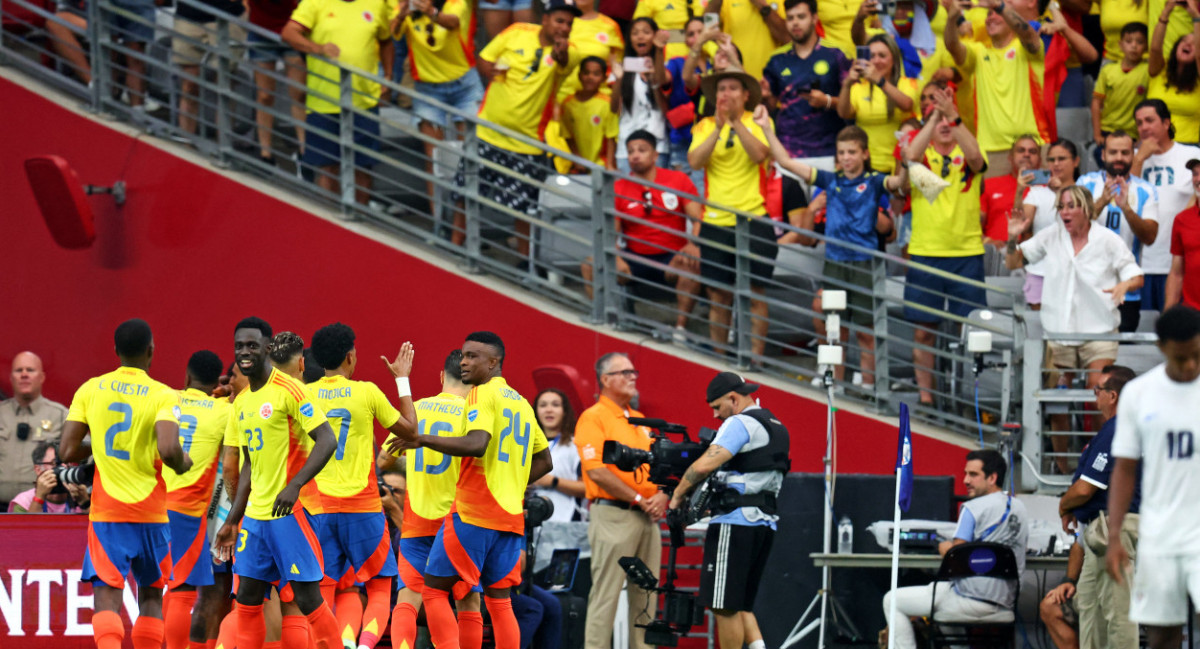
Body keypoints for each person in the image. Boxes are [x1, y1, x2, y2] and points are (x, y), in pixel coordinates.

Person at [407, 332, 553, 649]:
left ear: (493, 362)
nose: (464, 361)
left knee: (432, 592)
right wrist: (513, 482)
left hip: (474, 514)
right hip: (510, 520)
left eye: (473, 356)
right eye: (463, 355)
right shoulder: (522, 403)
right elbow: (545, 460)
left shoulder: (481, 395)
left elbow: (476, 444)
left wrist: (422, 439)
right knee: (500, 603)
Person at [59, 318, 192, 649]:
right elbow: (169, 448)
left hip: (108, 514)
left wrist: (100, 448)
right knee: (150, 597)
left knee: (107, 595)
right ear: (151, 351)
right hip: (151, 513)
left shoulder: (90, 389)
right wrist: (183, 463)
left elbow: (67, 450)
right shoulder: (164, 394)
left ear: (116, 350)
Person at [212, 316, 343, 649]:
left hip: (290, 513)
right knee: (247, 596)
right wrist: (232, 519)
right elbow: (250, 466)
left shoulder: (289, 389)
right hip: (255, 518)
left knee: (307, 597)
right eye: (239, 345)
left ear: (267, 348)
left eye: (252, 345)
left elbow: (327, 440)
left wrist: (295, 484)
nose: (245, 351)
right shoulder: (240, 402)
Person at [759, 116, 906, 389]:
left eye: (852, 152)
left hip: (865, 265)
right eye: (841, 152)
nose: (846, 157)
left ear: (865, 153)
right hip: (835, 264)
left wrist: (907, 160)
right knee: (834, 329)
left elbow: (900, 183)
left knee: (866, 331)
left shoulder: (875, 182)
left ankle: (868, 386)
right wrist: (767, 128)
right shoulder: (828, 180)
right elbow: (788, 162)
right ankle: (835, 384)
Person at [1005, 186, 1145, 474]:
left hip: (1099, 333)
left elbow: (1137, 276)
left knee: (1101, 396)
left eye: (1071, 206)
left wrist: (1123, 285)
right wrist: (1011, 237)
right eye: (1061, 207)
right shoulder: (1052, 235)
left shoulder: (1107, 239)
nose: (1065, 212)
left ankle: (1101, 462)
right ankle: (1064, 467)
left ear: (1086, 209)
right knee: (1057, 403)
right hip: (1058, 333)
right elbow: (1012, 262)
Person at [308, 323, 419, 649]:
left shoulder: (304, 395)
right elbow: (411, 431)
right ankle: (366, 645)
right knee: (381, 587)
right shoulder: (366, 392)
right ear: (350, 357)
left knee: (322, 588)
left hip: (319, 510)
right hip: (364, 508)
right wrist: (401, 378)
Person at [667, 372, 791, 649]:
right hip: (764, 523)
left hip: (735, 522)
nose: (714, 416)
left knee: (722, 606)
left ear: (733, 399)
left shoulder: (739, 422)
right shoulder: (775, 424)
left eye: (716, 407)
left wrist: (677, 497)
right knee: (740, 603)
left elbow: (703, 466)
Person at [451, 0, 581, 257]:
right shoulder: (516, 31)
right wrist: (489, 69)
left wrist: (560, 52)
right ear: (544, 20)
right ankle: (454, 246)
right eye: (559, 21)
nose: (564, 28)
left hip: (526, 143)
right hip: (486, 132)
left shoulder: (572, 51)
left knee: (524, 208)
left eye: (569, 23)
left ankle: (525, 263)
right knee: (466, 193)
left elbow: (563, 59)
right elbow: (485, 58)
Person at [1106, 305, 1200, 649]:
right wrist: (1114, 535)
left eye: (1196, 355)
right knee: (1162, 635)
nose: (1190, 365)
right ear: (1161, 349)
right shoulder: (1139, 394)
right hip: (1160, 532)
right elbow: (1124, 469)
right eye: (1180, 358)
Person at [379, 349, 484, 649]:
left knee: (408, 599)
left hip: (417, 519)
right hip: (459, 522)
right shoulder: (474, 417)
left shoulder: (420, 409)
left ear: (441, 377)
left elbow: (385, 459)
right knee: (468, 601)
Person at [882, 450, 1030, 649]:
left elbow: (958, 560)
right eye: (965, 474)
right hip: (1005, 604)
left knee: (892, 600)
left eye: (973, 475)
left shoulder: (972, 508)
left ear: (992, 477)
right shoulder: (1020, 508)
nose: (966, 480)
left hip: (970, 601)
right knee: (943, 592)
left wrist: (946, 548)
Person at [574, 352, 667, 649]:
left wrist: (662, 495)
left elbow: (660, 467)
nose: (633, 377)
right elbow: (596, 471)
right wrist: (641, 498)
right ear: (605, 380)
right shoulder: (593, 417)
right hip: (614, 514)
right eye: (624, 372)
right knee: (606, 595)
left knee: (647, 595)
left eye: (633, 372)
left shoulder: (640, 420)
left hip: (646, 516)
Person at [903, 82, 987, 409]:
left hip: (967, 254)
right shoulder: (919, 159)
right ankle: (926, 398)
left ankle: (973, 398)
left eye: (948, 123)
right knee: (924, 332)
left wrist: (953, 116)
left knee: (975, 334)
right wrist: (935, 114)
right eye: (937, 123)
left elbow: (978, 157)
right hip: (926, 254)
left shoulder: (965, 155)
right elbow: (909, 156)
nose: (944, 127)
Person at [580, 130, 703, 336]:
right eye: (630, 152)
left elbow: (698, 220)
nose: (635, 155)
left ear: (655, 155)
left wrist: (693, 245)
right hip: (634, 257)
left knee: (691, 266)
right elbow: (611, 232)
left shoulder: (678, 180)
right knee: (590, 265)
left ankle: (680, 330)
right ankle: (609, 322)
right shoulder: (619, 187)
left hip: (672, 257)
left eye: (642, 150)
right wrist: (615, 254)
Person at [688, 69, 775, 357]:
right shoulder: (703, 126)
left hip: (753, 218)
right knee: (718, 294)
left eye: (733, 88)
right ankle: (720, 357)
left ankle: (756, 359)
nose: (726, 94)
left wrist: (736, 123)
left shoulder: (759, 120)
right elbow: (695, 161)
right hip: (715, 221)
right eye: (721, 89)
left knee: (755, 293)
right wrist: (717, 127)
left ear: (746, 94)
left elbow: (760, 155)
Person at [1057, 365, 1141, 649]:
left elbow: (1085, 488)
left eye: (1098, 390)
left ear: (1113, 396)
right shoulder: (1117, 428)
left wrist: (1063, 505)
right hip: (1099, 529)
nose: (1095, 396)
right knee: (1091, 607)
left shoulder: (1120, 428)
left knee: (1118, 612)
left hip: (1116, 528)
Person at [282, 0, 395, 203]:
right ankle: (328, 219)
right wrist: (317, 48)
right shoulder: (314, 2)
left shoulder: (376, 3)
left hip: (364, 101)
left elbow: (386, 40)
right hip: (323, 101)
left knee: (363, 167)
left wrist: (387, 75)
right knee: (327, 167)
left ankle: (361, 221)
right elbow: (289, 33)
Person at [163, 350, 233, 649]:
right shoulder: (224, 412)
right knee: (183, 589)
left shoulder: (166, 399)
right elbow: (231, 465)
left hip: (151, 504)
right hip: (189, 510)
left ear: (186, 376)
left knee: (155, 589)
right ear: (217, 378)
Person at [762, 0, 852, 215]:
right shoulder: (776, 60)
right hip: (787, 156)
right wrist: (764, 96)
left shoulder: (836, 55)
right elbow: (770, 106)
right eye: (790, 18)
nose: (795, 23)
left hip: (828, 155)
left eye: (801, 17)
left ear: (814, 18)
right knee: (791, 228)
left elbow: (851, 107)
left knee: (826, 224)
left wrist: (827, 101)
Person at [940, 0, 1047, 177]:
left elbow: (1028, 35)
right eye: (988, 14)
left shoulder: (1026, 49)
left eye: (997, 13)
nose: (991, 18)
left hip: (1031, 148)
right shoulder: (978, 53)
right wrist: (952, 19)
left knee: (1035, 202)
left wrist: (999, 6)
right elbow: (952, 46)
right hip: (989, 151)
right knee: (994, 204)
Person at [392, 0, 484, 202]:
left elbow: (452, 22)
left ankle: (466, 220)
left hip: (464, 86)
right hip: (428, 90)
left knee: (468, 154)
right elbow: (391, 32)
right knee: (433, 158)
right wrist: (401, 15)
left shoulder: (455, 2)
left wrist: (430, 11)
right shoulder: (405, 5)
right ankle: (439, 222)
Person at [1077, 131, 1160, 333]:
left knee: (1123, 357)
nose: (1119, 158)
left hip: (1127, 293)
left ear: (1133, 155)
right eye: (1113, 152)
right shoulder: (1085, 183)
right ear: (1103, 155)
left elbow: (1149, 237)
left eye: (1125, 152)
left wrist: (1126, 208)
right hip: (1087, 289)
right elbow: (1074, 229)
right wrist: (1102, 202)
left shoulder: (1146, 190)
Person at [1134, 99, 1200, 310]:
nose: (1144, 127)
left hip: (1178, 264)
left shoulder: (1192, 156)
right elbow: (1126, 201)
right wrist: (1138, 160)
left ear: (1166, 123)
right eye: (1139, 123)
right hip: (1139, 265)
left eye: (1149, 120)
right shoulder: (1132, 159)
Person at [1013, 138, 1083, 308]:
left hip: (1074, 271)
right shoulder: (1037, 192)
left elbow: (1083, 224)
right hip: (1039, 270)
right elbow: (1023, 223)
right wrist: (1020, 191)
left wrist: (1061, 191)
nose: (1056, 164)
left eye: (1061, 159)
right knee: (1037, 327)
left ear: (1076, 161)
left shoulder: (1084, 190)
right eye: (1051, 160)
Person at [835, 34, 918, 175]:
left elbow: (907, 104)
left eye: (882, 55)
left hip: (899, 168)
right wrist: (847, 84)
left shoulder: (906, 83)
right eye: (872, 56)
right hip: (867, 169)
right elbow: (844, 113)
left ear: (894, 59)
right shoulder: (859, 88)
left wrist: (880, 81)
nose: (876, 61)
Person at [171, 0, 247, 138]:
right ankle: (186, 142)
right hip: (188, 16)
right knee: (189, 85)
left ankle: (224, 147)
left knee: (225, 85)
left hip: (229, 17)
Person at [1, 351, 67, 506]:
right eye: (19, 370)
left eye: (30, 370)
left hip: (40, 506)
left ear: (42, 377)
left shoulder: (60, 416)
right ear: (11, 378)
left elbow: (83, 456)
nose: (24, 375)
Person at [246, 0, 307, 165]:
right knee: (265, 95)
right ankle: (265, 153)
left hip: (293, 31)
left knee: (299, 94)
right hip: (260, 32)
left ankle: (305, 150)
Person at [613, 19, 671, 171]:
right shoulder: (621, 68)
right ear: (629, 39)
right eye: (635, 33)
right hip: (627, 147)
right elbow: (614, 109)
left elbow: (665, 110)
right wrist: (619, 80)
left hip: (657, 146)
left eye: (646, 32)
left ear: (655, 37)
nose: (640, 37)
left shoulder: (664, 68)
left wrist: (653, 83)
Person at [1092, 23, 1149, 155]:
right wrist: (1097, 134)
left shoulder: (1147, 71)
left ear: (1146, 46)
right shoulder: (1107, 71)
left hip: (1134, 134)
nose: (1134, 46)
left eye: (1139, 42)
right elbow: (1096, 103)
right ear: (1120, 45)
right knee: (1102, 156)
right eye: (1129, 41)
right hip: (1108, 130)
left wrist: (1141, 138)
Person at [1147, 0, 1200, 144]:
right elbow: (1155, 49)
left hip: (1189, 147)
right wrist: (1165, 12)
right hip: (1154, 144)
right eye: (1184, 40)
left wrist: (1196, 17)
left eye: (1194, 43)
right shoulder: (1159, 70)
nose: (1188, 43)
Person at [529, 388, 586, 522]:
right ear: (535, 411)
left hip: (565, 522)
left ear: (564, 411)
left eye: (555, 405)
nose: (549, 410)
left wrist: (552, 481)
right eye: (543, 405)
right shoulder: (526, 445)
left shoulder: (575, 446)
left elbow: (587, 488)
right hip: (530, 522)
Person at [981, 135, 1042, 251]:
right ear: (1010, 157)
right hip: (996, 251)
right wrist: (987, 241)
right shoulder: (989, 185)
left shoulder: (1047, 188)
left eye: (1032, 151)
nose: (1027, 154)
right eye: (1021, 150)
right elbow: (972, 226)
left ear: (1040, 160)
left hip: (1035, 252)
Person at [558, 57, 619, 170]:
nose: (590, 77)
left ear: (604, 78)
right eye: (586, 73)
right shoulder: (568, 104)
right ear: (579, 75)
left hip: (601, 164)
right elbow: (567, 135)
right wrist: (577, 159)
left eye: (596, 74)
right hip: (579, 166)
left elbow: (611, 136)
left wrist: (610, 164)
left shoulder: (607, 103)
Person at [557, 0, 624, 102]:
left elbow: (616, 68)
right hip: (563, 97)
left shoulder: (610, 26)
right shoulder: (561, 23)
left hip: (601, 101)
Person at [703, 0, 787, 79]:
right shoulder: (726, 2)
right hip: (734, 83)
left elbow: (787, 38)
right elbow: (708, 28)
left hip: (773, 82)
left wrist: (763, 7)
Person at [6, 439, 90, 513]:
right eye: (55, 463)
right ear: (38, 469)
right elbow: (27, 530)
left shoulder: (80, 494)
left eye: (67, 462)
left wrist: (85, 503)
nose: (64, 467)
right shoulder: (23, 502)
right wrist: (39, 497)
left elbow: (97, 528)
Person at [1165, 158, 1200, 309]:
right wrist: (1168, 315)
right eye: (1195, 174)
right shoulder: (1182, 220)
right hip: (1192, 315)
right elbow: (1176, 273)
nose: (1198, 179)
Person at [1039, 542, 1083, 649]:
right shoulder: (1087, 527)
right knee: (1050, 606)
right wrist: (1068, 581)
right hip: (1088, 590)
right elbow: (1080, 543)